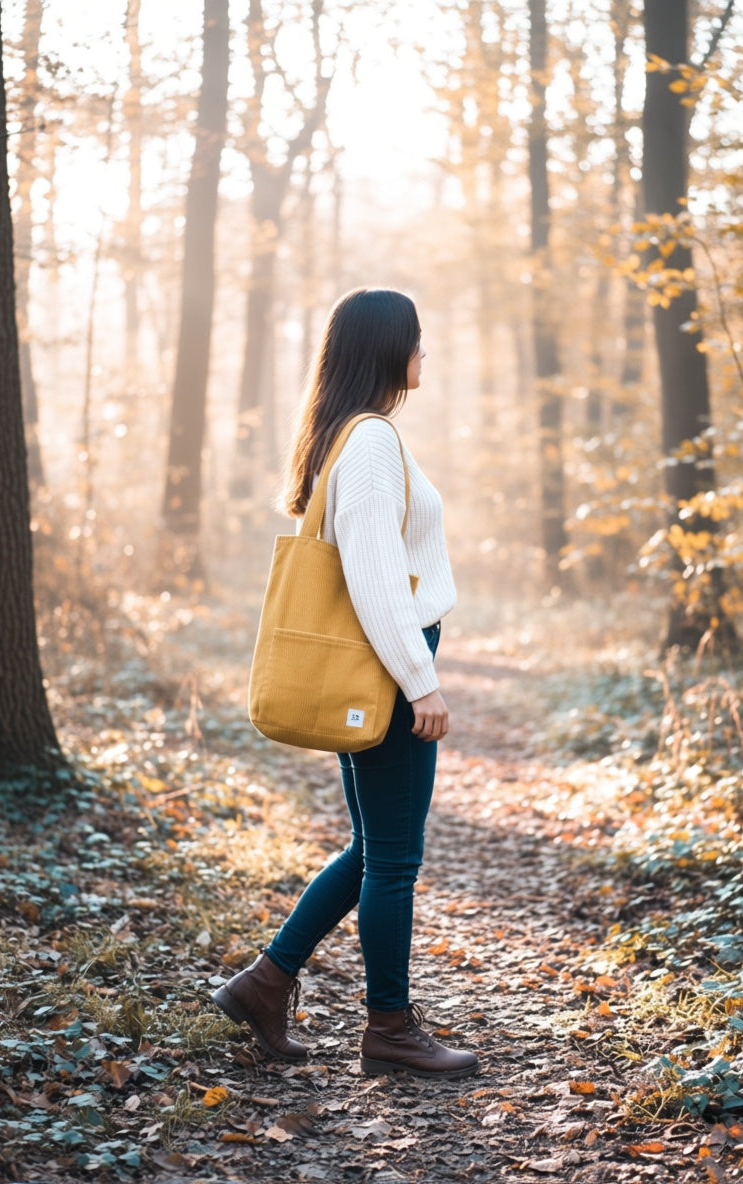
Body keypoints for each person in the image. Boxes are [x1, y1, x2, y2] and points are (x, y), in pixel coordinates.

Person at [212, 288, 478, 1080]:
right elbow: (372, 578)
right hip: (386, 665)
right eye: (417, 340)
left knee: (374, 848)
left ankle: (265, 982)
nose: (425, 353)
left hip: (376, 661)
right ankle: (390, 1029)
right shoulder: (367, 443)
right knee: (394, 859)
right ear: (386, 349)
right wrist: (420, 681)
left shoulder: (355, 436)